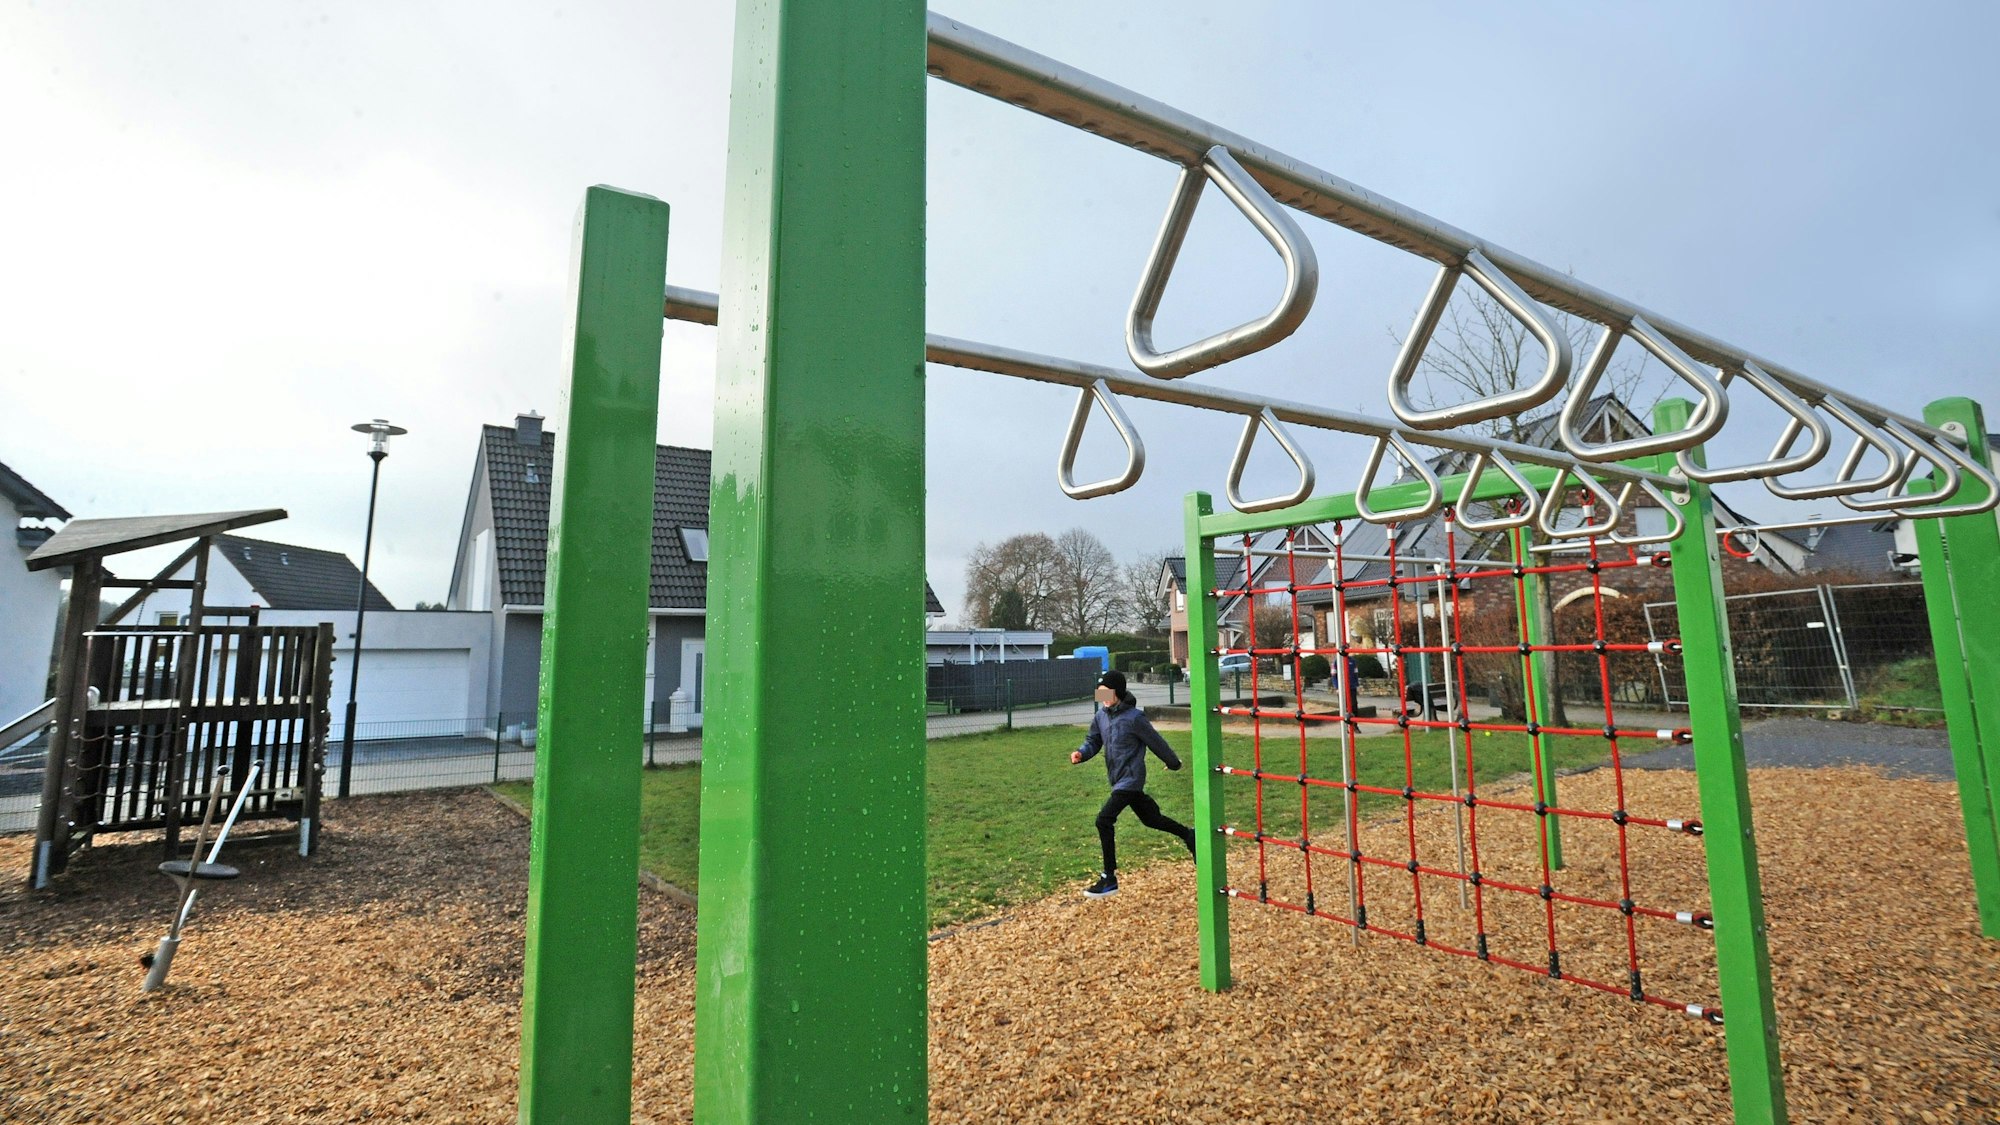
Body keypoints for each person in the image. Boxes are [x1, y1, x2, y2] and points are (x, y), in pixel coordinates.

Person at [1069, 669, 1196, 897]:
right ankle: (1188, 835)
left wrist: (1173, 762)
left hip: (1130, 779)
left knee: (1103, 820)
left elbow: (1157, 742)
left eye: (1106, 692)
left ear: (1117, 692)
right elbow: (1093, 740)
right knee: (1151, 819)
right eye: (1099, 693)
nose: (1102, 697)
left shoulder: (1135, 718)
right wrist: (1081, 753)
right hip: (1117, 779)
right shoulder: (1101, 716)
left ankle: (1109, 877)